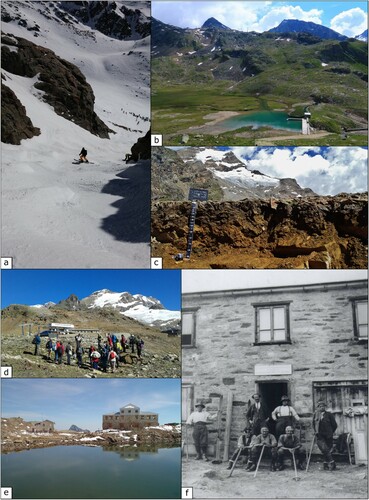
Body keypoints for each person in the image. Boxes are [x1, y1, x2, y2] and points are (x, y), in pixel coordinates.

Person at [313, 401, 338, 471]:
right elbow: (313, 424)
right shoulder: (316, 415)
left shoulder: (329, 415)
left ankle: (325, 464)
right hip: (320, 435)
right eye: (320, 406)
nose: (322, 407)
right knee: (324, 449)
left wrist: (330, 432)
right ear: (318, 407)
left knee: (327, 450)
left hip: (328, 435)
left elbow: (335, 425)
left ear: (325, 407)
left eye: (323, 406)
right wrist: (315, 431)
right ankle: (332, 463)